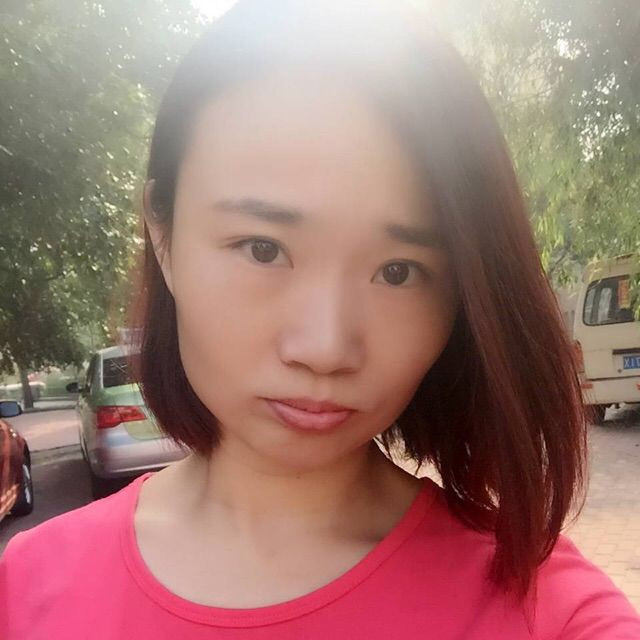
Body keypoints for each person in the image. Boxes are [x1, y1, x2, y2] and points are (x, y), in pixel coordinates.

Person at [2, 1, 639, 638]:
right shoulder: (28, 591)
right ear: (163, 236)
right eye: (263, 249)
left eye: (398, 271)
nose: (325, 347)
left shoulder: (546, 610)